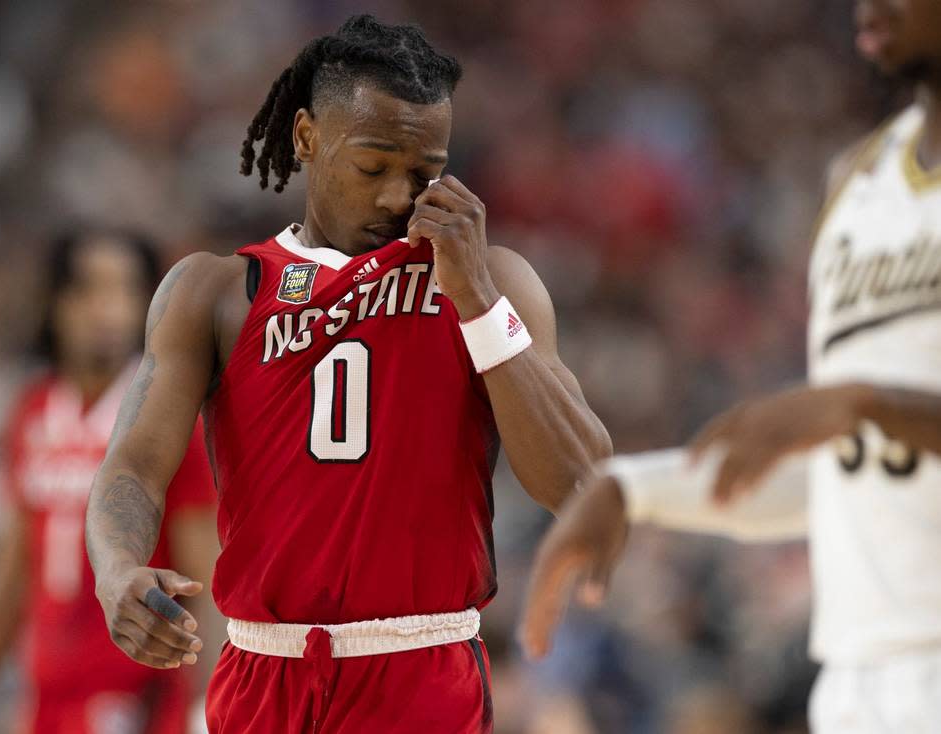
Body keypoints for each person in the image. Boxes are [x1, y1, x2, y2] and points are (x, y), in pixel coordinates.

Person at [83, 14, 610, 734]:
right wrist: (115, 570)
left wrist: (479, 301)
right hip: (261, 672)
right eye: (373, 166)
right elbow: (134, 466)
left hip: (420, 667)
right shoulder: (215, 292)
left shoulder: (493, 283)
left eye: (425, 172)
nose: (399, 197)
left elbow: (585, 484)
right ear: (306, 138)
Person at [520, 1, 941, 731]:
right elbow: (850, 471)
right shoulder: (856, 178)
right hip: (858, 675)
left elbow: (854, 414)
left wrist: (862, 404)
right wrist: (635, 490)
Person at [0, 228, 219, 734]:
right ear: (54, 303)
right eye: (88, 290)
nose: (107, 309)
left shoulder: (168, 421)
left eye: (125, 290)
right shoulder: (32, 411)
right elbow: (8, 574)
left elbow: (207, 579)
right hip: (47, 694)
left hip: (135, 697)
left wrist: (208, 710)